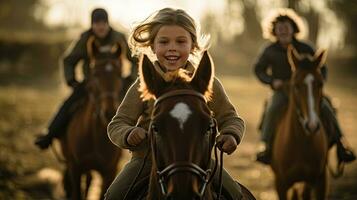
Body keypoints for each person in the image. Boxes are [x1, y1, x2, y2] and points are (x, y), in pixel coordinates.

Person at [105, 8, 246, 199]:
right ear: (153, 47)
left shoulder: (208, 83)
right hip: (147, 161)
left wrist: (231, 135)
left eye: (180, 42)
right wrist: (129, 133)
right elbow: (117, 123)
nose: (172, 48)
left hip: (197, 161)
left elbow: (230, 118)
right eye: (164, 42)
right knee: (114, 196)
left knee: (236, 194)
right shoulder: (143, 84)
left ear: (192, 45)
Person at [254, 9, 356, 165]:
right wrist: (271, 81)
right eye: (279, 28)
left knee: (326, 106)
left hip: (306, 91)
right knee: (273, 107)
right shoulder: (269, 51)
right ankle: (266, 146)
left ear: (293, 29)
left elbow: (322, 68)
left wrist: (317, 85)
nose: (283, 31)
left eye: (286, 27)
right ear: (274, 31)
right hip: (283, 91)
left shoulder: (306, 47)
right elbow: (258, 69)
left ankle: (341, 144)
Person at [34, 8, 137, 150]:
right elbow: (68, 60)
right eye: (96, 23)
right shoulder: (84, 39)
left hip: (114, 84)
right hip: (91, 83)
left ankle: (139, 139)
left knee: (133, 106)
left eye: (103, 23)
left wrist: (129, 78)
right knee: (69, 103)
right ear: (92, 24)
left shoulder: (119, 37)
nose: (100, 26)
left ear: (107, 24)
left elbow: (135, 59)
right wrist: (72, 80)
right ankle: (49, 134)